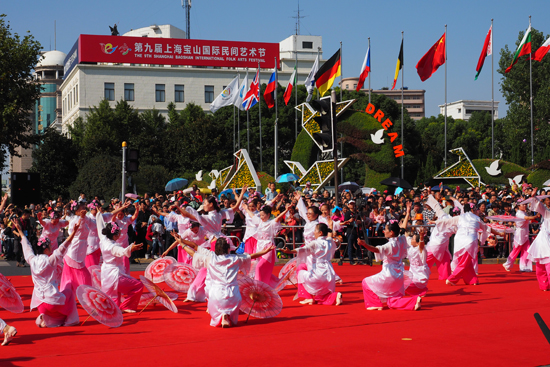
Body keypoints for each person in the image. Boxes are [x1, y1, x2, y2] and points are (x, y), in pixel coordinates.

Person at [177, 235, 274, 328]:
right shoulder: (235, 259)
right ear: (228, 248)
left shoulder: (211, 258)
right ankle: (227, 314)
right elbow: (251, 256)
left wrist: (182, 244)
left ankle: (223, 314)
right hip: (233, 295)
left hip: (216, 295)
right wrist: (265, 251)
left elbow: (193, 253)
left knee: (214, 303)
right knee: (231, 303)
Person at [178, 186, 247, 302]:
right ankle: (198, 294)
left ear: (211, 205)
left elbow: (191, 216)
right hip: (220, 241)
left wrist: (178, 208)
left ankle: (203, 296)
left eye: (205, 203)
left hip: (215, 243)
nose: (204, 204)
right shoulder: (220, 214)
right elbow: (235, 208)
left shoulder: (207, 217)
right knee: (210, 269)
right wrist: (242, 194)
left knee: (210, 270)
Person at [18, 219, 81, 328]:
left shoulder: (32, 260)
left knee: (59, 298)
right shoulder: (50, 261)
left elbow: (26, 247)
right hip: (51, 301)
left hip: (40, 304)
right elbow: (63, 247)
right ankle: (71, 321)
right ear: (46, 249)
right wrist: (74, 232)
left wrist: (20, 232)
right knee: (69, 292)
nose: (52, 247)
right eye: (50, 246)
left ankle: (47, 319)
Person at [358, 221, 422, 311]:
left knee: (365, 282)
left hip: (389, 275)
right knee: (392, 301)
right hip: (400, 275)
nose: (384, 231)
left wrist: (364, 244)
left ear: (391, 232)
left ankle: (375, 303)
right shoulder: (402, 239)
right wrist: (407, 212)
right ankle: (414, 301)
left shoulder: (390, 245)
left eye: (386, 229)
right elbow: (403, 229)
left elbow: (376, 249)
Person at [281, 223, 342, 306]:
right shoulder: (330, 241)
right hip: (330, 274)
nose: (314, 232)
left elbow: (303, 249)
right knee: (320, 299)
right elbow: (330, 236)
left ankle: (308, 297)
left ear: (320, 233)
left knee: (300, 273)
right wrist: (330, 226)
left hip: (319, 273)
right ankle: (336, 296)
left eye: (315, 231)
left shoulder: (315, 243)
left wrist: (291, 251)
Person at [98, 218, 144, 312]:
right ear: (116, 235)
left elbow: (100, 226)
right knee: (138, 285)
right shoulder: (114, 246)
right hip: (115, 275)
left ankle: (114, 309)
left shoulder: (103, 240)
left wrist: (99, 214)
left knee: (115, 294)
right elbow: (122, 251)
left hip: (106, 273)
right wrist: (131, 248)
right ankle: (126, 306)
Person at [436, 203, 487, 286]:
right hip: (470, 241)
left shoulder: (460, 217)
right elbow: (487, 228)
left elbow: (447, 221)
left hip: (459, 241)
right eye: (474, 209)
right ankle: (452, 279)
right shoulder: (477, 218)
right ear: (471, 209)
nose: (475, 210)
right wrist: (499, 233)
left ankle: (472, 280)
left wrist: (435, 221)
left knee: (467, 261)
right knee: (464, 262)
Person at [243, 202, 289, 288]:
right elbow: (252, 216)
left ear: (268, 215)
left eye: (263, 215)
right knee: (262, 269)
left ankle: (258, 286)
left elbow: (278, 218)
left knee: (259, 267)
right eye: (260, 215)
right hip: (259, 247)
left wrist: (286, 210)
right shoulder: (260, 222)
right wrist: (246, 209)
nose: (261, 217)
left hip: (269, 247)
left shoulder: (271, 223)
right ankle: (271, 284)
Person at [60, 203, 94, 295]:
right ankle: (87, 296)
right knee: (84, 276)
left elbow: (92, 224)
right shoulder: (75, 220)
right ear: (76, 210)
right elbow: (79, 228)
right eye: (82, 208)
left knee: (70, 278)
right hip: (74, 251)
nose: (84, 209)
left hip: (79, 249)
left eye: (84, 207)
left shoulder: (83, 218)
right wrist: (82, 218)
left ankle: (69, 296)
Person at [425, 195, 455, 280]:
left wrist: (430, 195)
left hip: (434, 244)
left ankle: (418, 275)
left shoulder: (444, 217)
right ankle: (445, 276)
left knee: (424, 262)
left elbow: (436, 206)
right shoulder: (456, 224)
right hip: (442, 246)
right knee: (444, 260)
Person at [503, 199, 537, 272]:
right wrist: (534, 217)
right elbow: (527, 218)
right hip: (520, 234)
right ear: (518, 206)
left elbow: (527, 219)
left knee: (527, 250)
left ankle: (524, 266)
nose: (525, 206)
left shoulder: (524, 212)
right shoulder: (519, 213)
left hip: (525, 233)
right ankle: (507, 264)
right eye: (523, 204)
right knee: (516, 250)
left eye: (525, 204)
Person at [527, 190, 550, 290]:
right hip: (543, 241)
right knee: (540, 266)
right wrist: (534, 197)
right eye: (547, 200)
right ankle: (544, 285)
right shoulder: (547, 213)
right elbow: (540, 206)